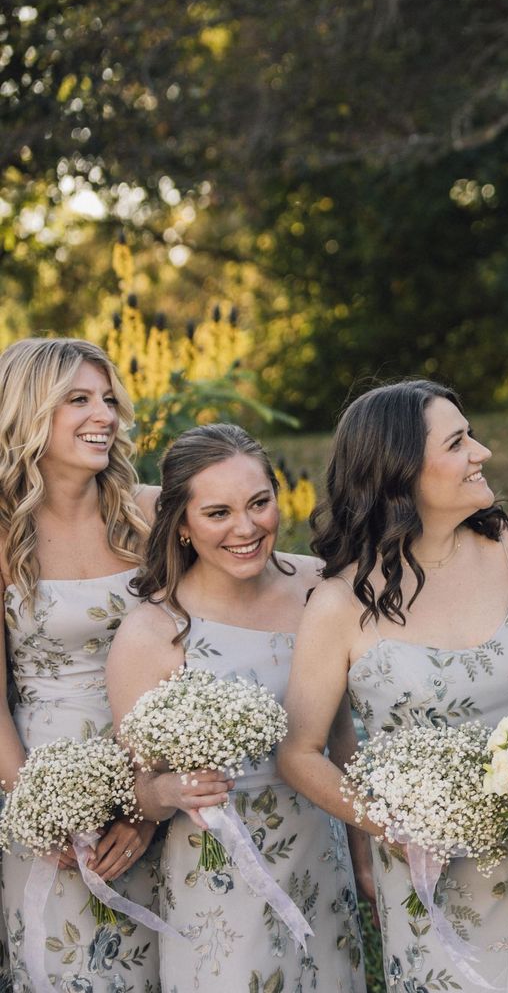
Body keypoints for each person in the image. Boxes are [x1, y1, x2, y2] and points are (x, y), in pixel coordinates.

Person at [278, 380, 508, 993]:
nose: (482, 453)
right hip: (430, 880)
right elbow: (299, 752)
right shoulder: (339, 603)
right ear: (402, 470)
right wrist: (390, 824)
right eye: (458, 442)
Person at [106, 423, 364, 989]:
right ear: (182, 524)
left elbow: (343, 735)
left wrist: (365, 859)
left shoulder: (320, 588)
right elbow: (139, 793)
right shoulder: (154, 632)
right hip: (217, 882)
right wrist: (173, 790)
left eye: (259, 503)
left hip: (321, 860)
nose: (246, 528)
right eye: (218, 513)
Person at [0, 338, 161, 992]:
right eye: (78, 400)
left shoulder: (148, 514)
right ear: (29, 412)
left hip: (159, 783)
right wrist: (40, 813)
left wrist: (150, 807)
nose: (104, 415)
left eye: (107, 399)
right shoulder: (5, 535)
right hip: (43, 790)